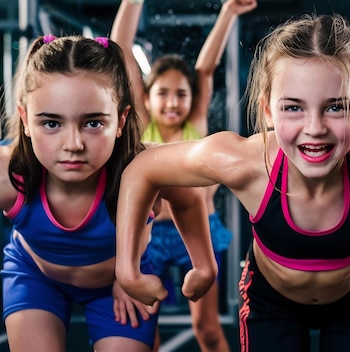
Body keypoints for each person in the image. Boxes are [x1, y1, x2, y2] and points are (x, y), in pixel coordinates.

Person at [114, 14, 350, 352]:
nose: (315, 128)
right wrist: (128, 268)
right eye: (293, 107)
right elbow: (143, 168)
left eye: (335, 107)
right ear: (267, 109)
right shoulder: (246, 162)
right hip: (270, 302)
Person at [0, 35, 216, 352]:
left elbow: (189, 199)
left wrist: (204, 266)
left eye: (92, 123)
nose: (73, 144)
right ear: (25, 120)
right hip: (35, 277)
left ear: (120, 120)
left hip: (123, 285)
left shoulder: (144, 167)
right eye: (51, 123)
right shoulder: (9, 173)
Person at [111, 1, 257, 351]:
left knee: (207, 328)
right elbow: (120, 47)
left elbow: (205, 69)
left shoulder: (196, 126)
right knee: (146, 331)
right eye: (163, 93)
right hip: (151, 237)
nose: (173, 103)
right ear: (146, 98)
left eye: (181, 94)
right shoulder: (143, 127)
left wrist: (229, 13)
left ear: (192, 100)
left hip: (198, 231)